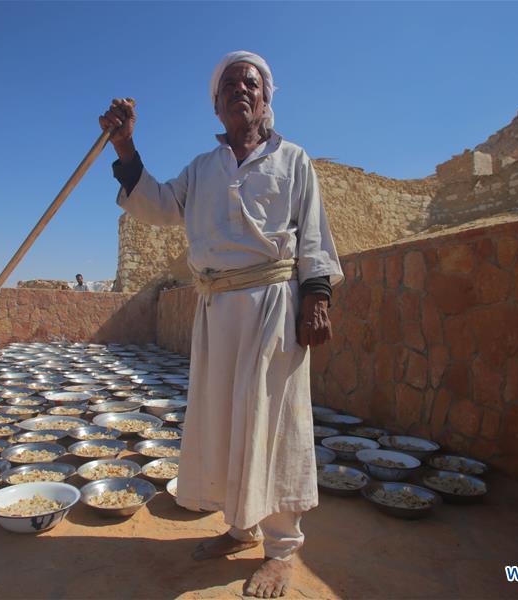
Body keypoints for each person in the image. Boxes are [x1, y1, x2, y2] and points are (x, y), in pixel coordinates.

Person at [100, 51, 342, 599]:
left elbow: (314, 238)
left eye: (250, 83)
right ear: (216, 104)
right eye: (229, 84)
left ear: (266, 98)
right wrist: (125, 146)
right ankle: (240, 526)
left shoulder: (294, 160)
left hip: (275, 309)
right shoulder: (202, 169)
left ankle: (283, 549)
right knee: (229, 420)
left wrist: (317, 296)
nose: (240, 89)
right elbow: (158, 206)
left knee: (276, 424)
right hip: (217, 311)